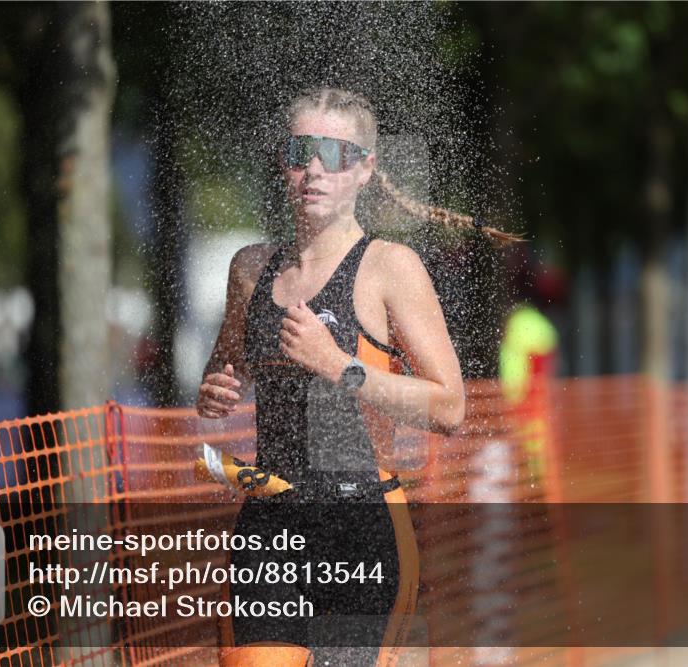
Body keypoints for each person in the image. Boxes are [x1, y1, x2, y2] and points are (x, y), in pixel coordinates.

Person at [196, 86, 517, 667]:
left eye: (337, 153)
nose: (315, 169)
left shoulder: (390, 267)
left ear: (366, 168)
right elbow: (227, 370)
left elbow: (450, 409)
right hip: (270, 521)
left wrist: (340, 367)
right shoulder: (250, 268)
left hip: (361, 523)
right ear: (282, 162)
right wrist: (215, 388)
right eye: (301, 151)